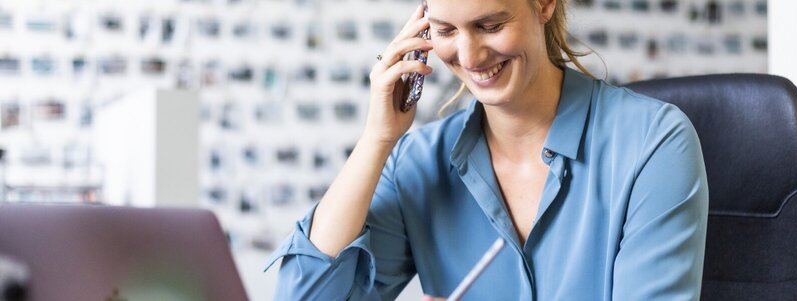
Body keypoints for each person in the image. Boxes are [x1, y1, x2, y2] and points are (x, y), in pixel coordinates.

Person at [264, 0, 709, 299]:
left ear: (544, 4)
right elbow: (304, 294)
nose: (471, 56)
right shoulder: (417, 164)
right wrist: (376, 140)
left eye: (490, 26)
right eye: (445, 31)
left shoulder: (653, 143)